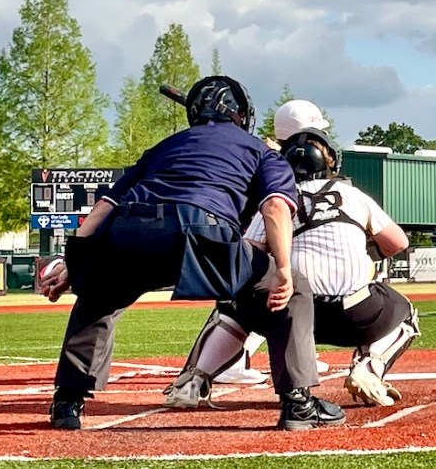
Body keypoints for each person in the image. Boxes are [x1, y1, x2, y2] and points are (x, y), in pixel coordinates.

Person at [37, 76, 344, 432]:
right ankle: (298, 403)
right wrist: (284, 270)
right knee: (294, 290)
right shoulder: (261, 152)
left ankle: (67, 401)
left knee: (98, 298)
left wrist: (77, 266)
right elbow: (275, 207)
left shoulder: (162, 148)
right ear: (243, 114)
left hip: (131, 230)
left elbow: (103, 209)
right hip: (204, 233)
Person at [163, 127, 420, 409]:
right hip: (353, 312)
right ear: (331, 162)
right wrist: (363, 254)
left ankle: (193, 380)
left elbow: (249, 252)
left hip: (289, 313)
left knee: (234, 306)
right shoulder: (352, 195)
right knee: (404, 311)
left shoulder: (279, 198)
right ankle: (369, 368)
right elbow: (398, 242)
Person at [211, 99, 333, 386]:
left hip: (260, 228)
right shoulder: (278, 161)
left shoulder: (269, 156)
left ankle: (301, 353)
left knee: (283, 292)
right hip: (263, 227)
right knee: (273, 293)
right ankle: (232, 360)